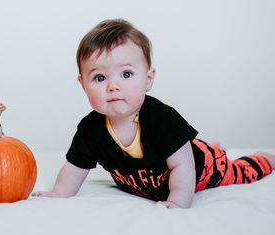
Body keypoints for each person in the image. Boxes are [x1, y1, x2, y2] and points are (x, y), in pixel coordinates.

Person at [32, 19, 275, 208]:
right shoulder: (90, 130)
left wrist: (179, 200)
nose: (113, 86)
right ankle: (206, 146)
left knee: (239, 172)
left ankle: (264, 159)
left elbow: (182, 165)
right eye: (99, 77)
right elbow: (75, 167)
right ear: (83, 84)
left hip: (202, 169)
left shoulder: (161, 118)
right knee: (183, 149)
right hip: (177, 157)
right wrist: (59, 194)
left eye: (126, 74)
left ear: (148, 79)